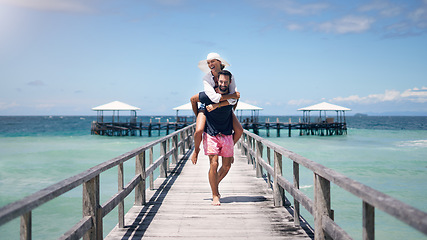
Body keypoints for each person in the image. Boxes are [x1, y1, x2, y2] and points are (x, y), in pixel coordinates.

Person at [190, 53, 243, 165]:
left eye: (212, 61)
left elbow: (235, 99)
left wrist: (230, 100)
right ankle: (196, 150)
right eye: (208, 63)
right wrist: (199, 115)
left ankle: (228, 151)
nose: (210, 64)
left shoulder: (229, 76)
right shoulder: (206, 78)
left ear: (219, 62)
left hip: (226, 107)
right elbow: (213, 97)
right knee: (199, 130)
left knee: (239, 130)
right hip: (207, 105)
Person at [196, 70, 235, 206]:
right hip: (211, 133)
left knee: (227, 166)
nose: (223, 84)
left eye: (225, 82)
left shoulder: (233, 96)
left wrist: (217, 105)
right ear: (217, 81)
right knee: (214, 163)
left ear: (229, 82)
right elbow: (193, 99)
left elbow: (232, 105)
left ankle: (214, 183)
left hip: (227, 133)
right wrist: (199, 114)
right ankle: (215, 195)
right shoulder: (208, 95)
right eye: (221, 81)